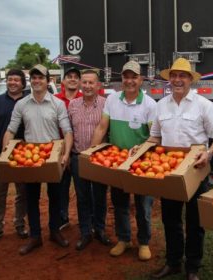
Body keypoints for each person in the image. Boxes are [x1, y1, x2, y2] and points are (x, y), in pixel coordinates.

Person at [148, 58, 213, 280]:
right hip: (169, 171)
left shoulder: (204, 105)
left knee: (195, 221)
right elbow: (155, 136)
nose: (177, 80)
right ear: (169, 79)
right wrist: (142, 148)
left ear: (191, 79)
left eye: (182, 76)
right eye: (174, 75)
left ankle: (192, 267)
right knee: (170, 219)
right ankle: (173, 262)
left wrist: (208, 154)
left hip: (195, 170)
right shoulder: (161, 105)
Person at [3, 64, 73, 255]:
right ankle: (35, 236)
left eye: (41, 77)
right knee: (31, 198)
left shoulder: (57, 104)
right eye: (34, 77)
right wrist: (5, 151)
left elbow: (67, 131)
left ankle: (54, 231)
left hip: (52, 155)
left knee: (55, 196)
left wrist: (66, 154)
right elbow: (10, 129)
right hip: (30, 157)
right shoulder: (22, 104)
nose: (37, 81)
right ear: (30, 81)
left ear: (48, 80)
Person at [91, 60, 156, 261]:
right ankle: (124, 239)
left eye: (134, 77)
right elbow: (102, 127)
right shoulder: (112, 100)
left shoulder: (150, 105)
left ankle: (144, 242)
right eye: (126, 76)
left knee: (143, 206)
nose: (129, 81)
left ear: (141, 79)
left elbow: (154, 137)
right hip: (117, 163)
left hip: (141, 164)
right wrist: (91, 152)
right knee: (119, 203)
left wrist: (140, 152)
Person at [67, 68, 111, 250]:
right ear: (79, 84)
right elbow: (69, 132)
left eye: (91, 82)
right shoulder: (73, 105)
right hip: (78, 157)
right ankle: (86, 232)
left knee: (100, 195)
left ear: (98, 85)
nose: (87, 86)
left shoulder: (106, 104)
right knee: (82, 196)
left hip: (100, 158)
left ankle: (100, 229)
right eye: (83, 82)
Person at [0, 69, 29, 245]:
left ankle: (19, 224)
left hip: (24, 156)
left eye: (16, 80)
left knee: (22, 193)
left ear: (23, 83)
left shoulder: (29, 101)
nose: (12, 83)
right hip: (0, 155)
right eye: (10, 79)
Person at [54, 67, 82, 230]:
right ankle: (62, 218)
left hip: (78, 151)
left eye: (75, 77)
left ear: (79, 82)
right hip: (60, 152)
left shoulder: (84, 98)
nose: (72, 79)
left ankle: (85, 220)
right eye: (69, 76)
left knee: (82, 190)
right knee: (61, 188)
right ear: (63, 81)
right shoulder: (55, 100)